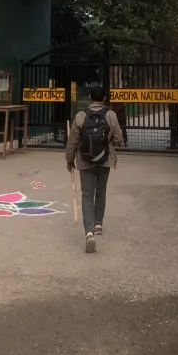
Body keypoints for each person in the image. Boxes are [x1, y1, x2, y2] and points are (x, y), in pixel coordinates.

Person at [65, 85, 123, 253]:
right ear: (104, 98)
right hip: (105, 160)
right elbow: (118, 138)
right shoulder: (110, 115)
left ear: (90, 98)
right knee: (101, 191)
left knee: (87, 194)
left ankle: (89, 232)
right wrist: (109, 142)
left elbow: (72, 142)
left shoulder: (81, 116)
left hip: (85, 161)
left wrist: (69, 160)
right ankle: (98, 223)